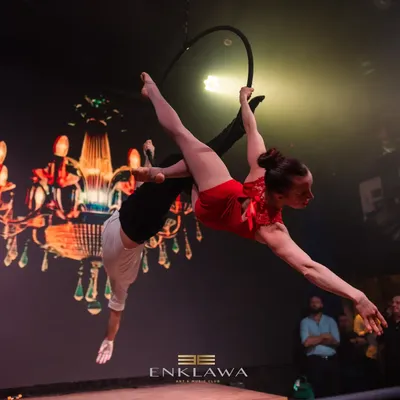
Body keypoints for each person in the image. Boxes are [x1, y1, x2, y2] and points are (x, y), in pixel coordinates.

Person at [136, 71, 387, 335]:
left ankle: (160, 167)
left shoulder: (268, 214)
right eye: (303, 193)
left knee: (193, 153)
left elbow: (310, 268)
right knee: (192, 149)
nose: (310, 197)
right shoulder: (269, 222)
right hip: (216, 199)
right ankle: (158, 163)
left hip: (213, 203)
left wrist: (357, 295)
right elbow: (251, 127)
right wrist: (243, 101)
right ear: (279, 195)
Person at [95, 94, 265, 364]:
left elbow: (143, 190)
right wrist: (109, 339)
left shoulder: (116, 272)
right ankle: (237, 132)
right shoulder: (119, 282)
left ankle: (234, 139)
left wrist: (149, 157)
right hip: (139, 222)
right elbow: (115, 314)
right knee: (187, 164)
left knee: (188, 167)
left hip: (142, 215)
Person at [300, 296, 340, 397]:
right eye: (312, 302)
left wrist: (314, 338)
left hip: (331, 360)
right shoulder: (305, 322)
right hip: (314, 361)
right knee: (318, 391)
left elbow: (336, 341)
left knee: (334, 391)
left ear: (322, 305)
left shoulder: (330, 321)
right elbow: (306, 343)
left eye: (317, 302)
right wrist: (324, 336)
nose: (314, 304)